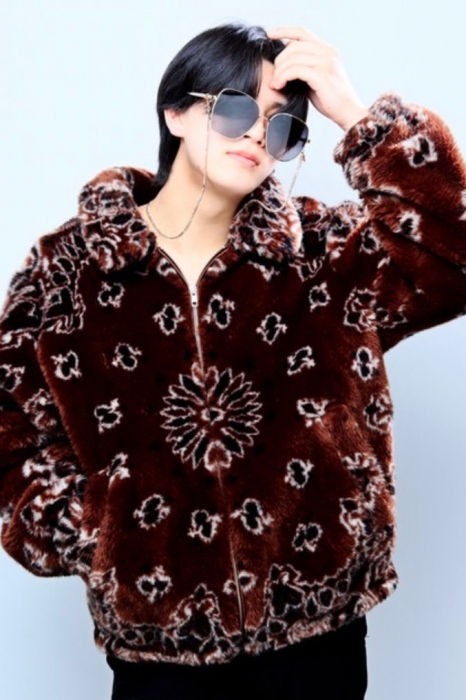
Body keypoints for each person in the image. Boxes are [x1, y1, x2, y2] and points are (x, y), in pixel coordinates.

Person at [1, 18, 466, 700]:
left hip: (319, 641)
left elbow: (453, 256)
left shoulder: (322, 254)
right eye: (237, 109)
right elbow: (10, 439)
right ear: (176, 112)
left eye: (282, 126)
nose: (256, 134)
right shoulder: (66, 274)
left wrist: (354, 113)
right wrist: (103, 533)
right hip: (159, 654)